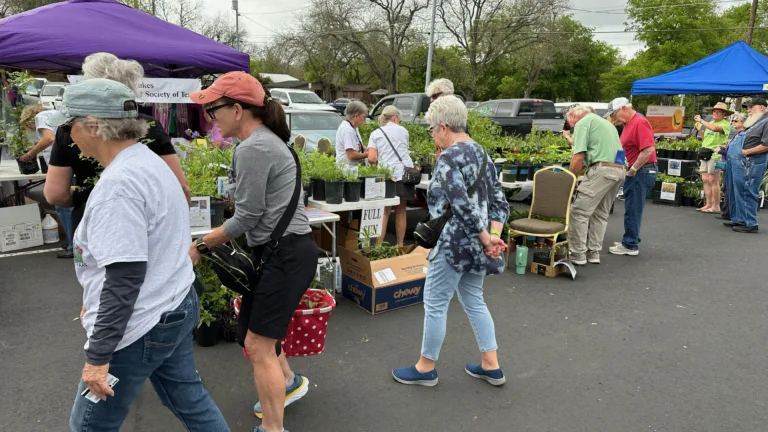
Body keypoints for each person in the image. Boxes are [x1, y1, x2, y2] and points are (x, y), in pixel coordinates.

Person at [56, 79, 229, 432]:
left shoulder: (119, 185)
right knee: (189, 400)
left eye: (68, 124)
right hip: (173, 302)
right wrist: (94, 298)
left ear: (93, 126)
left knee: (89, 425)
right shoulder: (148, 161)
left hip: (140, 322)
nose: (67, 135)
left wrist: (98, 356)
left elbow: (125, 277)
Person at [187, 72, 317, 432]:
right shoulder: (264, 142)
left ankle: (273, 428)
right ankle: (287, 381)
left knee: (258, 345)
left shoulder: (254, 148)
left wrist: (200, 245)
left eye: (213, 110)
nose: (210, 119)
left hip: (285, 255)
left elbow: (247, 217)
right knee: (255, 335)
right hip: (285, 251)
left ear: (237, 109)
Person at [391, 95, 509, 388]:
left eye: (432, 129)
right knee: (474, 300)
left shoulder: (449, 157)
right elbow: (499, 202)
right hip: (478, 246)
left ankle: (425, 368)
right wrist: (493, 236)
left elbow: (460, 205)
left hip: (453, 243)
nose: (432, 135)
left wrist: (486, 238)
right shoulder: (483, 154)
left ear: (443, 127)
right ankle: (491, 364)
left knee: (435, 304)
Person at [44, 53, 191, 236]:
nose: (70, 132)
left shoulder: (76, 126)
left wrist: (86, 197)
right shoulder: (150, 126)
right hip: (150, 223)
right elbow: (180, 186)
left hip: (93, 221)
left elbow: (55, 194)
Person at [566, 105, 624, 265]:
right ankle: (594, 253)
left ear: (573, 116)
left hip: (602, 170)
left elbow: (578, 156)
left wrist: (570, 178)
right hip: (619, 169)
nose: (570, 126)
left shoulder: (583, 123)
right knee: (601, 213)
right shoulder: (607, 124)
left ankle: (577, 254)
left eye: (568, 121)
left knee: (579, 212)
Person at [19, 104, 74, 258]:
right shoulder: (55, 114)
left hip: (61, 165)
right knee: (68, 205)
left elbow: (49, 138)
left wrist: (31, 153)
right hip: (70, 163)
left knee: (63, 206)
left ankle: (73, 245)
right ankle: (72, 242)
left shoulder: (41, 117)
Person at [605, 97, 658, 256]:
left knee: (633, 208)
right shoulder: (629, 123)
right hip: (638, 171)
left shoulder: (639, 122)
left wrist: (633, 169)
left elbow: (648, 149)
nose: (614, 118)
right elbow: (625, 148)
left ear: (623, 108)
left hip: (641, 171)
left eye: (614, 114)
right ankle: (630, 239)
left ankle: (630, 244)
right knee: (631, 207)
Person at [367, 106, 415, 246]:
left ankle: (378, 246)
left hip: (387, 175)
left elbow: (372, 158)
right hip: (404, 174)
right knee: (401, 210)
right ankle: (400, 244)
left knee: (385, 211)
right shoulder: (404, 131)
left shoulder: (376, 133)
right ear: (395, 117)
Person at [723, 98, 768, 233]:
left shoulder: (766, 122)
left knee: (746, 191)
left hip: (750, 162)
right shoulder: (756, 121)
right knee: (735, 190)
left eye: (751, 107)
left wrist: (747, 151)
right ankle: (739, 219)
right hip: (740, 161)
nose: (748, 110)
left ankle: (750, 222)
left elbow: (766, 145)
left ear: (762, 107)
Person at [694, 102, 731, 214]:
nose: (716, 113)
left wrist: (701, 120)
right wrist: (700, 130)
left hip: (715, 154)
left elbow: (715, 129)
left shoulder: (725, 124)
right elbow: (705, 138)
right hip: (705, 152)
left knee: (713, 180)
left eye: (719, 112)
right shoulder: (709, 123)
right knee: (705, 179)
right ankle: (708, 204)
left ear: (724, 114)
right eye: (714, 111)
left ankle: (716, 206)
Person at [716, 112, 746, 221]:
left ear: (743, 123)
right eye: (732, 120)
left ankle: (731, 215)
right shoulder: (737, 135)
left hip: (735, 165)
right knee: (727, 189)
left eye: (736, 120)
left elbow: (736, 153)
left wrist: (720, 151)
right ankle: (727, 213)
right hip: (729, 164)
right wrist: (724, 148)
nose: (733, 122)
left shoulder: (743, 135)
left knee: (731, 190)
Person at [335, 100, 368, 166]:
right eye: (363, 117)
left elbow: (355, 145)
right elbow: (351, 155)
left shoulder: (353, 127)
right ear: (356, 116)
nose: (364, 120)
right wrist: (369, 154)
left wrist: (365, 148)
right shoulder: (348, 130)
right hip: (347, 169)